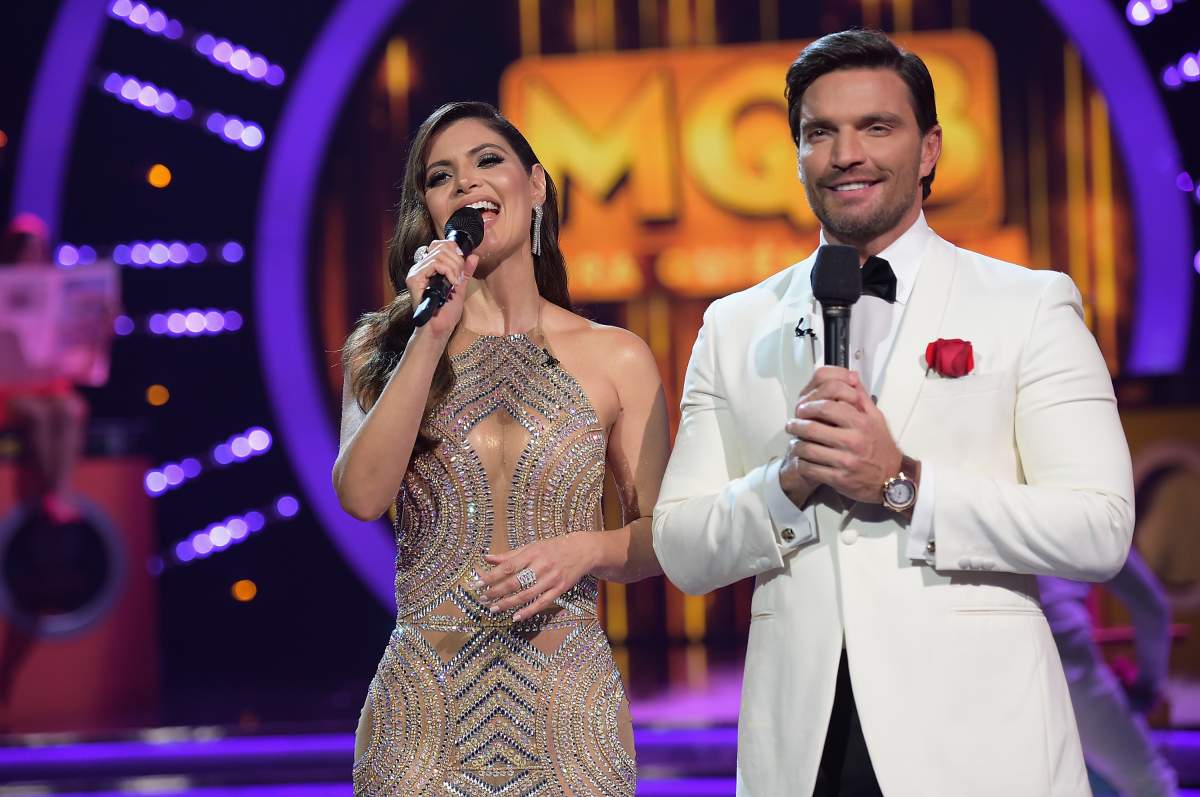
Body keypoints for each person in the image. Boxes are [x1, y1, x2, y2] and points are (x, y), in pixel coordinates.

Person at [652, 29, 1134, 797]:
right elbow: (681, 547)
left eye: (876, 127)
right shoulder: (735, 325)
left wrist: (903, 482)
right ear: (797, 155)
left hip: (979, 745)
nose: (846, 153)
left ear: (930, 148)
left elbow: (1099, 526)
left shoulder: (1028, 304)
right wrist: (788, 482)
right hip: (803, 750)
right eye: (820, 132)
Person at [333, 101, 669, 796]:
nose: (465, 183)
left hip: (568, 721)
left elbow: (662, 539)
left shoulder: (617, 357)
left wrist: (587, 549)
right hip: (422, 725)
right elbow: (362, 495)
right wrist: (429, 332)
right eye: (440, 176)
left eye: (488, 161)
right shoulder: (385, 347)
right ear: (430, 213)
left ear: (536, 185)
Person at [1042, 551, 1178, 796]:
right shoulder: (1086, 526)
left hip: (987, 659)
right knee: (1150, 785)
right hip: (1066, 661)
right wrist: (1147, 686)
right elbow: (1150, 605)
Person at [0, 213, 88, 524]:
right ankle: (49, 494)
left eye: (38, 250)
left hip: (49, 384)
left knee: (69, 410)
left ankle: (59, 492)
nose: (33, 257)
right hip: (10, 387)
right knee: (37, 415)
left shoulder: (56, 289)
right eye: (27, 250)